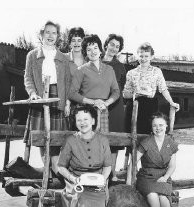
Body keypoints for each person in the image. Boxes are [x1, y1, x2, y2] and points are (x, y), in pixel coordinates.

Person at [23, 21, 71, 175]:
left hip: (58, 97)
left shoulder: (63, 58)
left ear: (58, 36)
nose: (51, 36)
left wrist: (67, 103)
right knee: (41, 138)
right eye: (48, 32)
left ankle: (56, 170)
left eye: (54, 33)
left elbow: (68, 82)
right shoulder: (32, 55)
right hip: (39, 98)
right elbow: (28, 78)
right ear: (42, 34)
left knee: (56, 138)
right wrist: (32, 93)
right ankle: (47, 172)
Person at [57, 105, 112, 207]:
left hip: (98, 185)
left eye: (86, 119)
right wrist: (73, 179)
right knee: (83, 202)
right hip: (76, 183)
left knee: (98, 204)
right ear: (76, 123)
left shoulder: (103, 140)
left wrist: (103, 180)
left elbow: (107, 166)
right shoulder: (70, 141)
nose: (83, 123)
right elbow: (61, 167)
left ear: (93, 121)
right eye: (79, 120)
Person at [123, 42, 180, 134]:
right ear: (137, 56)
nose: (143, 59)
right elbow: (125, 94)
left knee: (148, 139)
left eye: (146, 56)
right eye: (141, 56)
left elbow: (163, 89)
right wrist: (135, 94)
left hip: (150, 107)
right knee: (131, 139)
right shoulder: (131, 73)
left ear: (151, 57)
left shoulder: (157, 71)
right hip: (134, 106)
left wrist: (171, 102)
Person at [69, 34, 120, 132]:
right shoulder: (81, 70)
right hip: (85, 112)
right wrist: (93, 102)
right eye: (89, 49)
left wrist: (106, 103)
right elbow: (71, 93)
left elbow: (116, 91)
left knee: (101, 143)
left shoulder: (110, 69)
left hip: (103, 110)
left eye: (95, 48)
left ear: (100, 50)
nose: (93, 52)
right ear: (85, 53)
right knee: (85, 144)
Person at [136, 112, 178, 207]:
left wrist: (165, 177)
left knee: (163, 198)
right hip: (147, 177)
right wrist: (132, 178)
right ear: (151, 127)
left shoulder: (171, 143)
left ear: (166, 125)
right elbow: (133, 162)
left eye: (161, 125)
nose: (158, 128)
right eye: (154, 125)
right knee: (153, 195)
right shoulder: (146, 142)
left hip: (163, 177)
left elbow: (172, 166)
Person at [102, 34, 126, 181]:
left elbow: (121, 86)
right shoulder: (96, 61)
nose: (113, 48)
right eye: (112, 44)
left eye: (117, 47)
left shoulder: (120, 66)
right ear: (106, 45)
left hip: (115, 106)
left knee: (114, 140)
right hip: (98, 104)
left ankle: (112, 173)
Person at [64, 27, 86, 129]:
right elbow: (63, 83)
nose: (76, 43)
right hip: (67, 102)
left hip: (85, 102)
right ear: (69, 43)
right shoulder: (64, 59)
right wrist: (66, 103)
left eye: (79, 40)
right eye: (73, 40)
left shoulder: (89, 60)